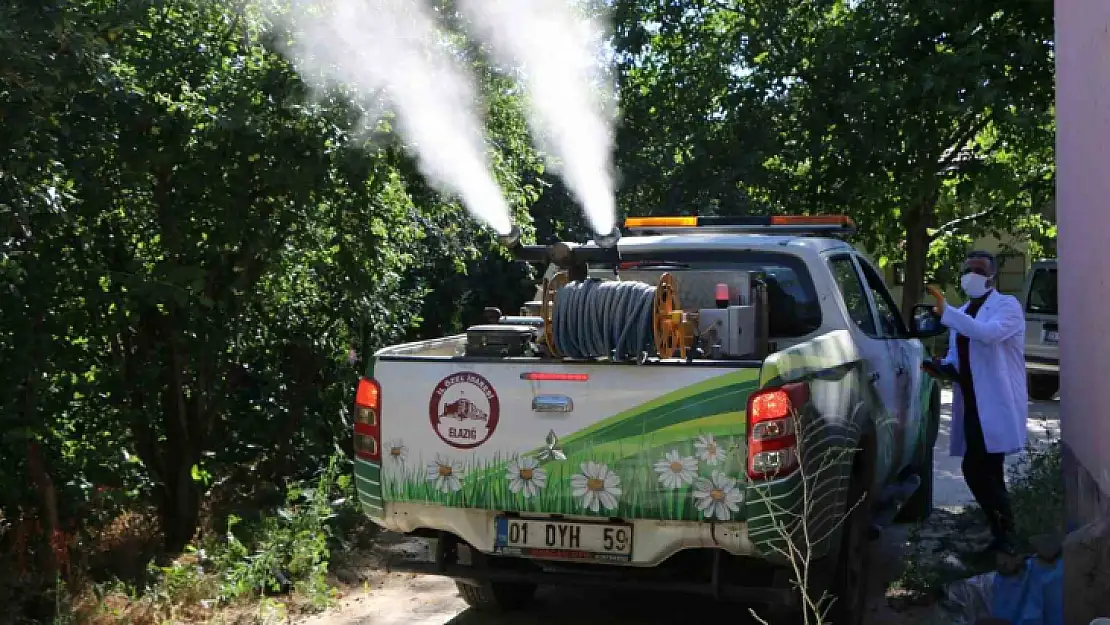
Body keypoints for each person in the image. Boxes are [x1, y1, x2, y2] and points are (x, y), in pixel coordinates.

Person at [922, 251, 1028, 554]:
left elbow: (988, 335)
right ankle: (1003, 536)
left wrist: (948, 313)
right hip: (971, 401)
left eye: (979, 269)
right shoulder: (964, 310)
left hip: (996, 402)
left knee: (976, 467)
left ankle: (1005, 532)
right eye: (967, 269)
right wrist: (939, 367)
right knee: (989, 470)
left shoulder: (1007, 307)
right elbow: (958, 357)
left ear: (992, 276)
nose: (972, 274)